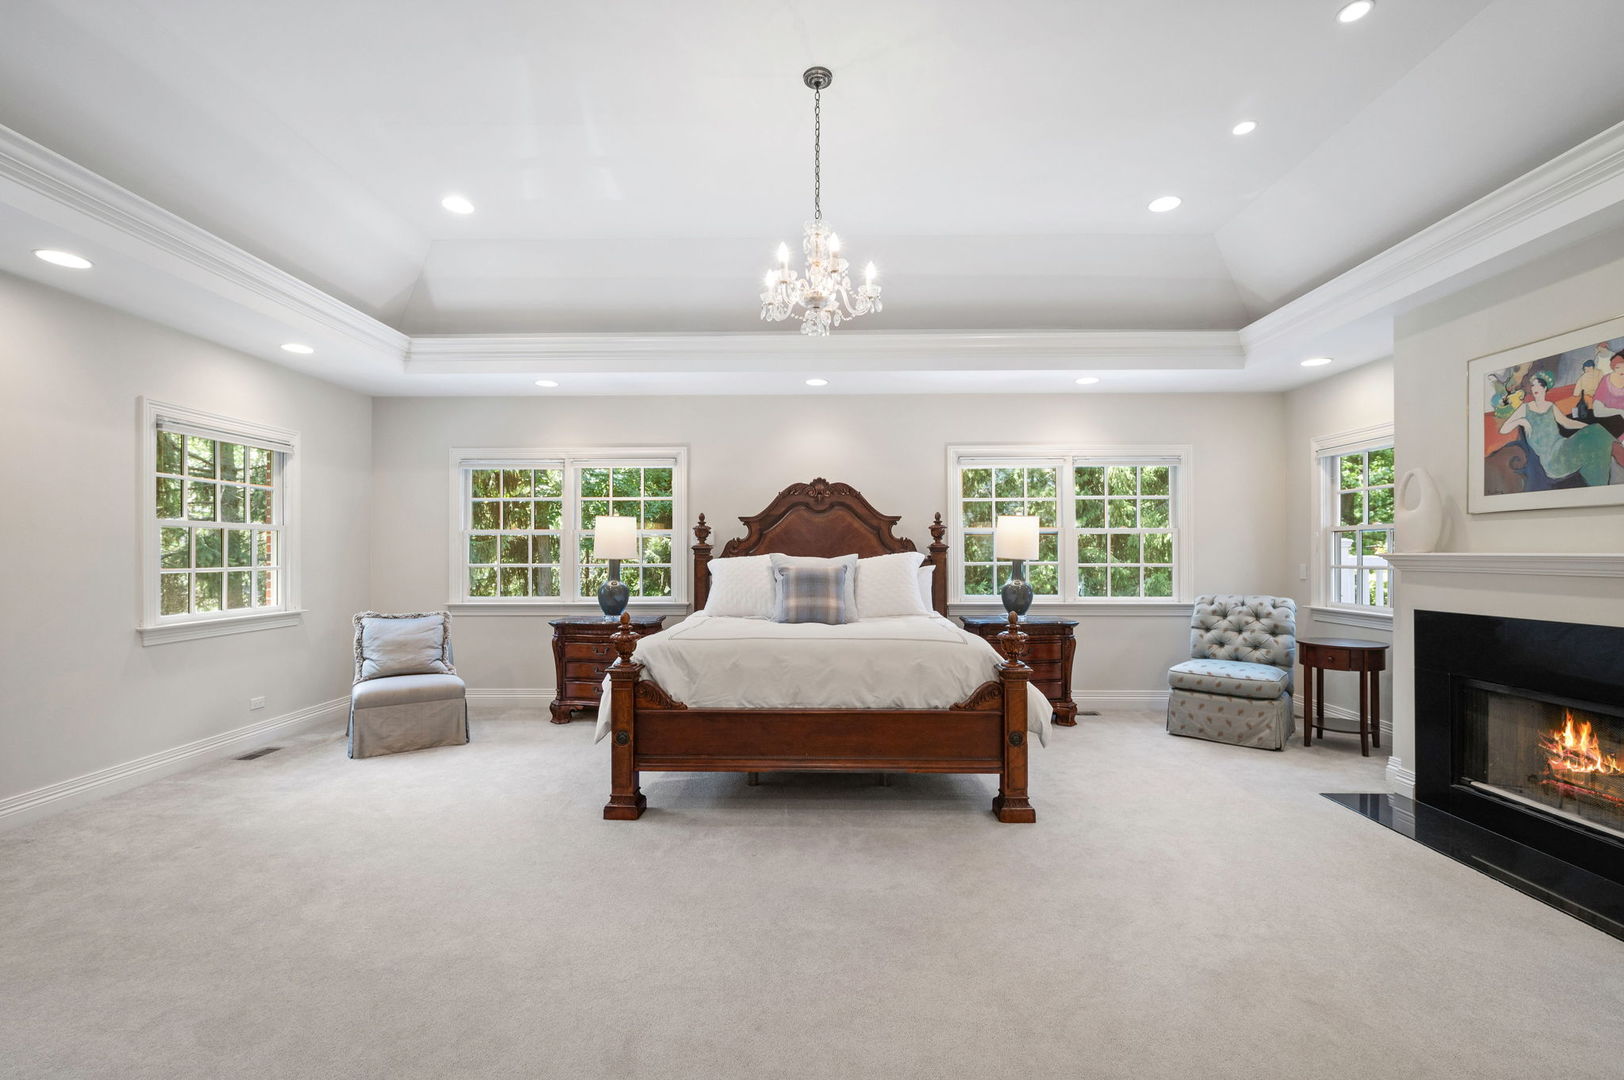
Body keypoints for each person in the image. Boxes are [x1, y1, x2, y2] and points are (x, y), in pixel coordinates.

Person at [1499, 371, 1616, 487]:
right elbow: (1503, 429)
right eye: (1533, 385)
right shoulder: (1525, 408)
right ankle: (1602, 481)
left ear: (1545, 388)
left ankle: (1600, 484)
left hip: (1563, 446)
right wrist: (1521, 421)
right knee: (1597, 440)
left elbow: (1567, 423)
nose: (1535, 387)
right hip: (1552, 460)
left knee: (1596, 434)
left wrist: (1587, 428)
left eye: (1539, 385)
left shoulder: (1551, 406)